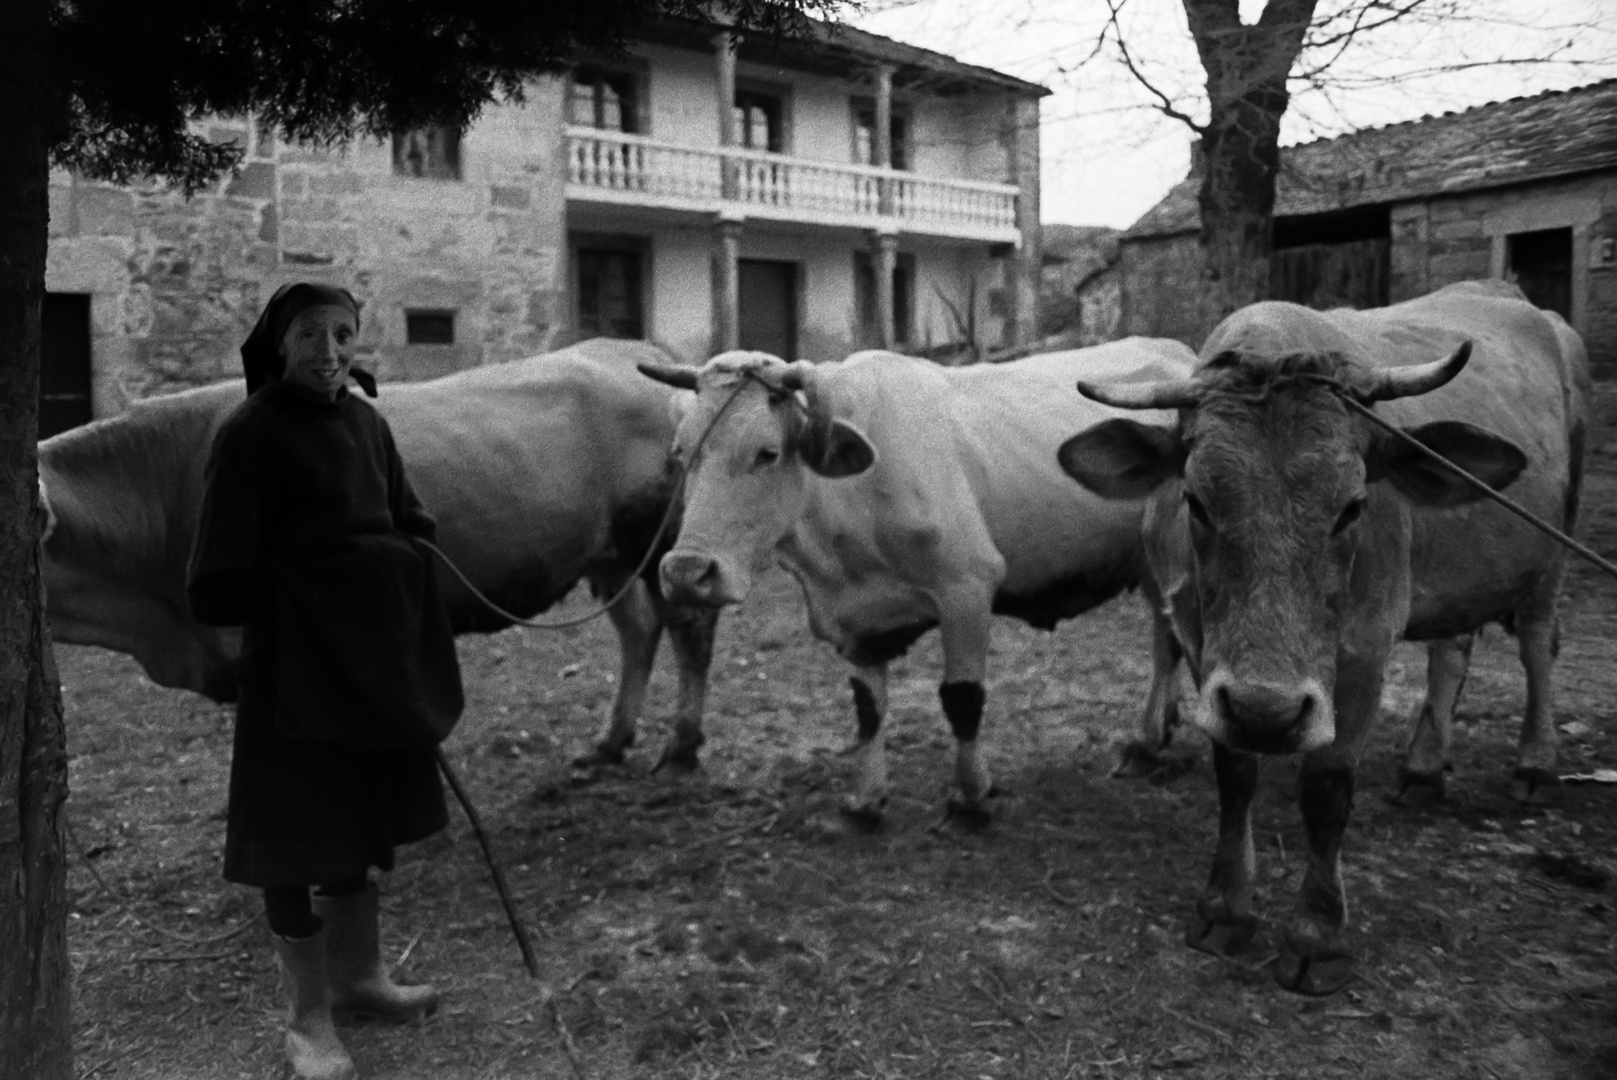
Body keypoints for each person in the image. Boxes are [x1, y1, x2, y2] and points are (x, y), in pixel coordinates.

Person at [187, 282, 464, 1080]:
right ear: (278, 342)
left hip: (364, 668)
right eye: (312, 334)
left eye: (343, 334)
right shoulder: (251, 434)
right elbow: (215, 584)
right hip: (294, 676)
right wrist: (338, 585)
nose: (331, 352)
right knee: (290, 841)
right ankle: (307, 1020)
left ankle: (358, 980)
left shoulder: (367, 423)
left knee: (350, 824)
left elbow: (414, 529)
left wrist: (391, 573)